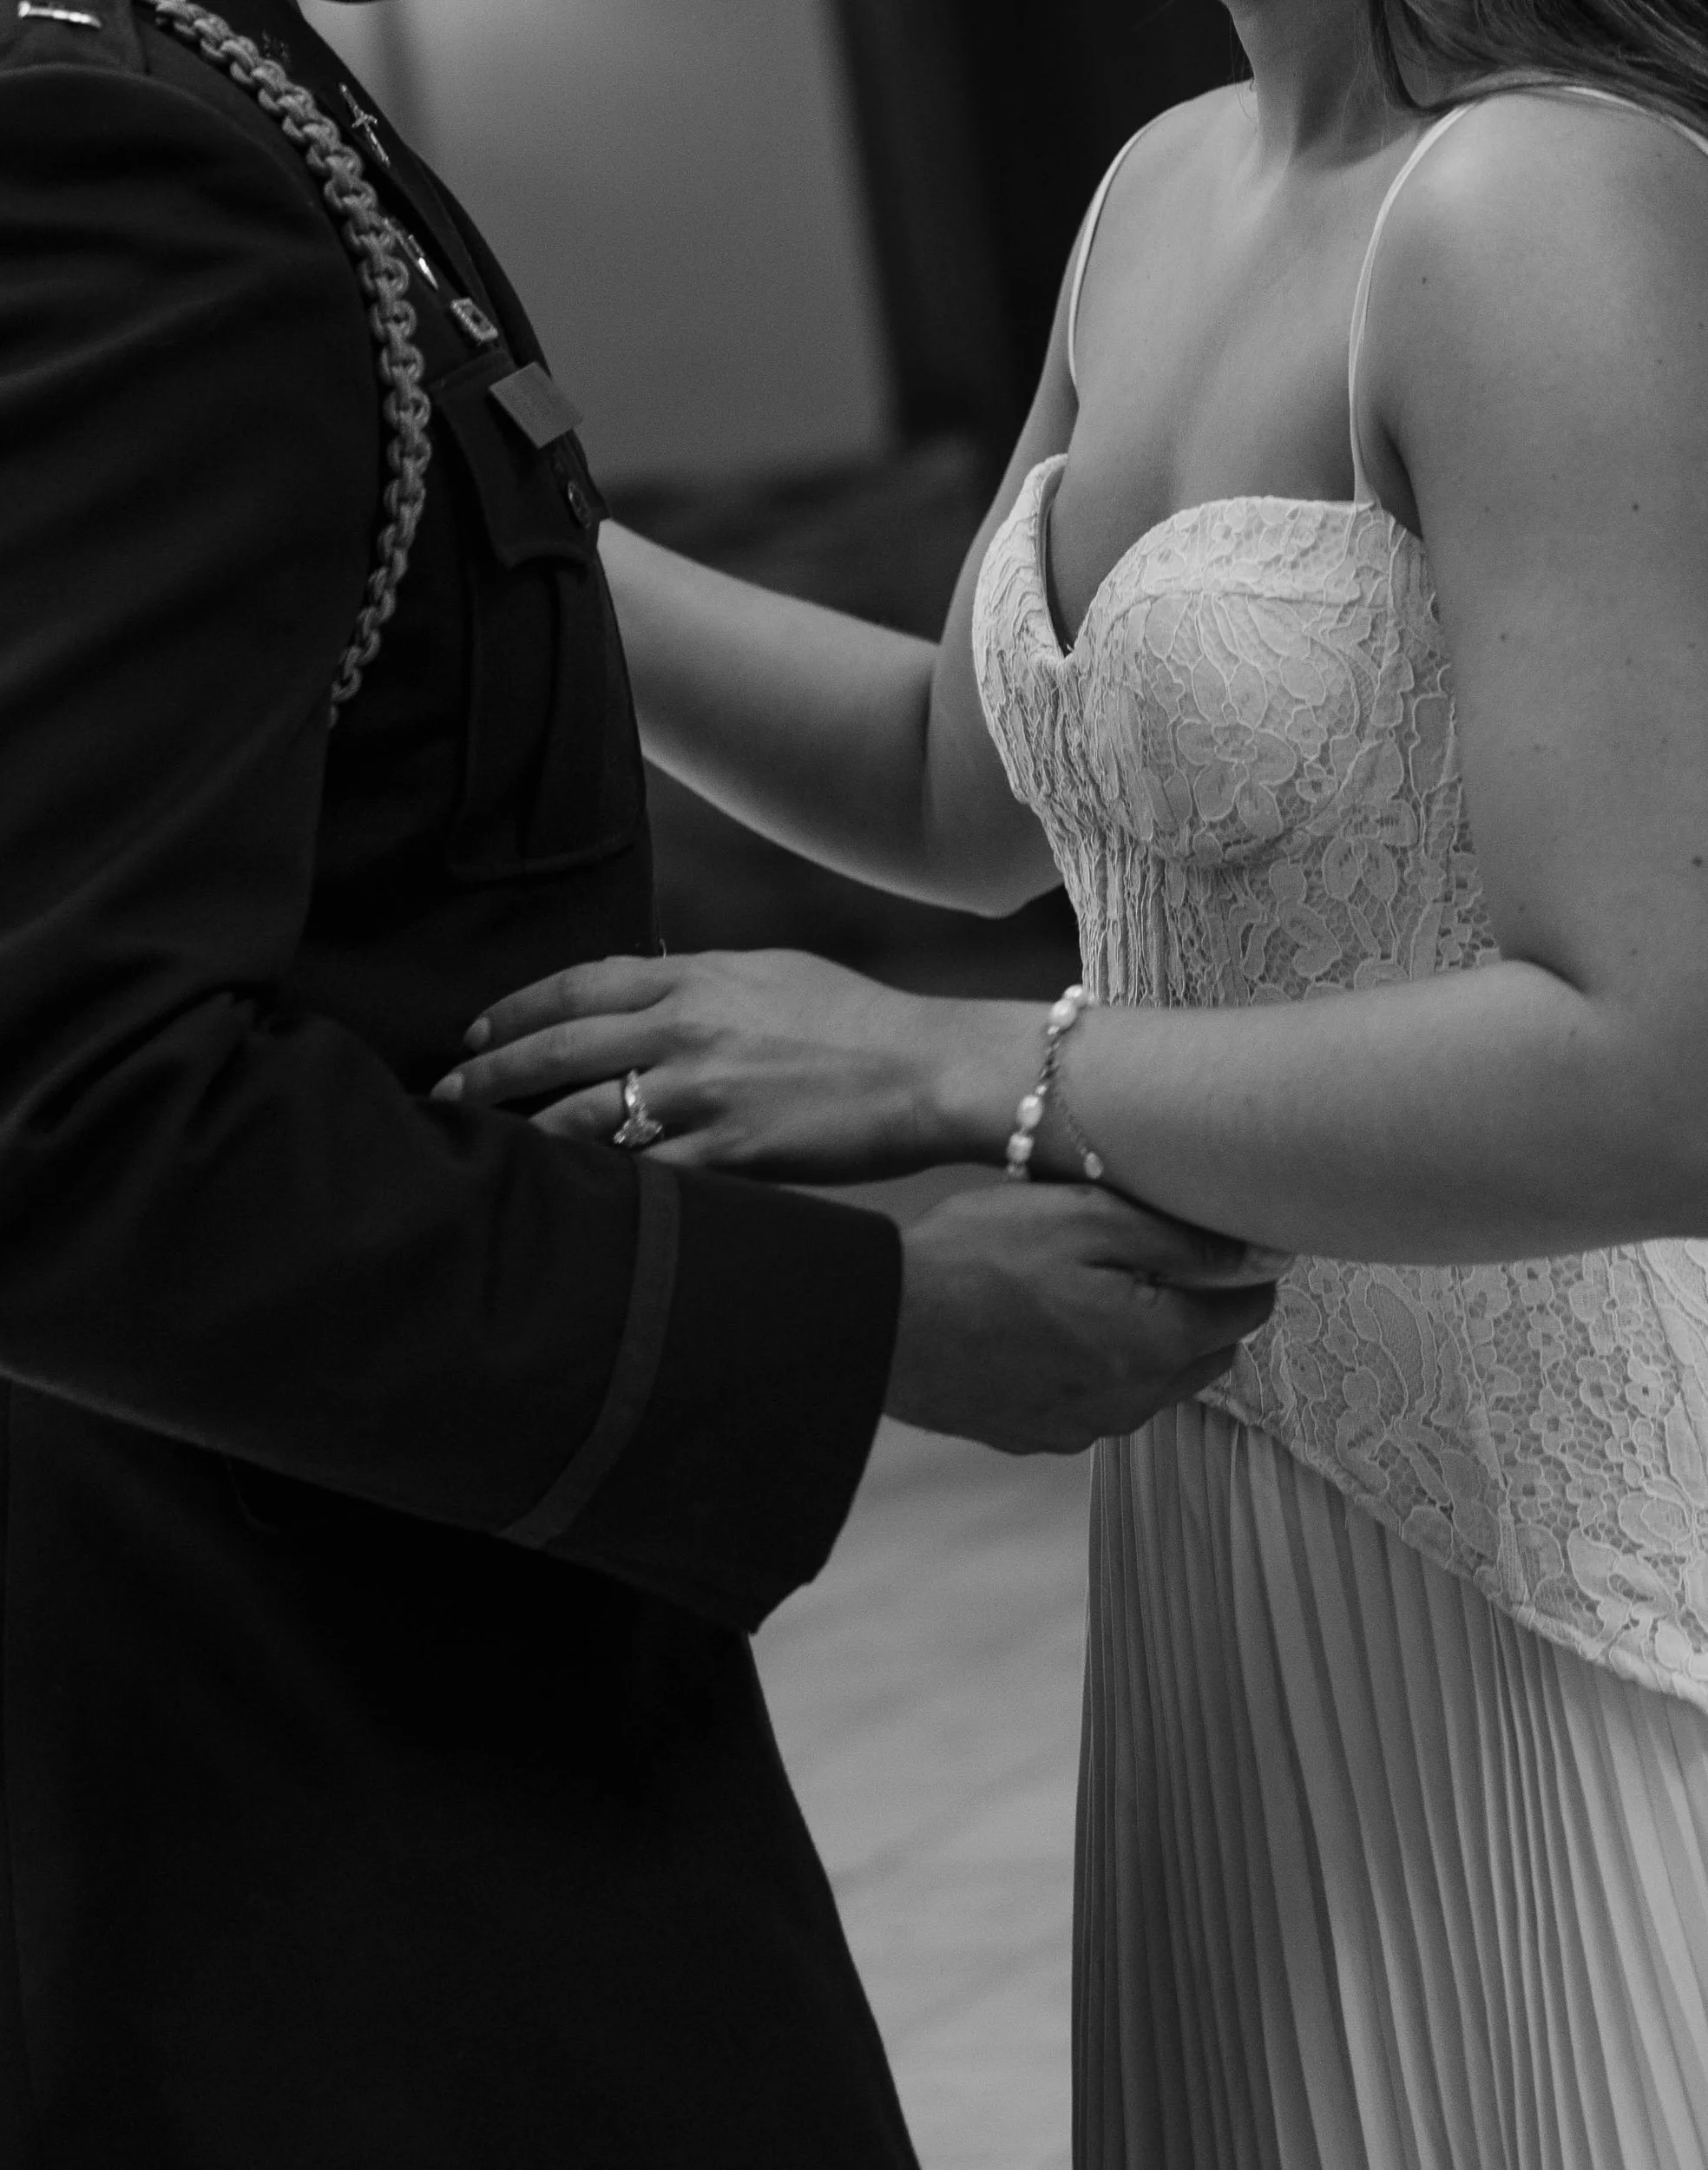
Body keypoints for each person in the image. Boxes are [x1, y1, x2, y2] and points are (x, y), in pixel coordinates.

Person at [0, 0, 1284, 2161]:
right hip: (265, 1684)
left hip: (400, 1590)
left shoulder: (197, 87)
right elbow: (51, 1112)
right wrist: (868, 1305)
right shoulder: (101, 139)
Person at [437, 0, 1708, 2160]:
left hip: (1549, 1550)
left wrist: (956, 1057)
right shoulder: (1158, 184)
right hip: (1225, 1504)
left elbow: (1656, 1069)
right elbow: (968, 779)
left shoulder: (1538, 199)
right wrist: (514, 533)